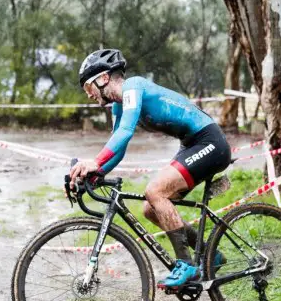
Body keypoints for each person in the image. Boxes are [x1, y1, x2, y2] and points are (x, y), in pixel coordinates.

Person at [69, 48, 231, 288]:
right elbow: (119, 147)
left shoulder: (133, 87)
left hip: (210, 142)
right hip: (191, 144)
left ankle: (187, 266)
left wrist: (95, 162)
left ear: (103, 78)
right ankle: (210, 255)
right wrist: (97, 173)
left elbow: (125, 133)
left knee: (155, 191)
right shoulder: (119, 105)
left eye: (88, 87)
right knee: (150, 209)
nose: (89, 95)